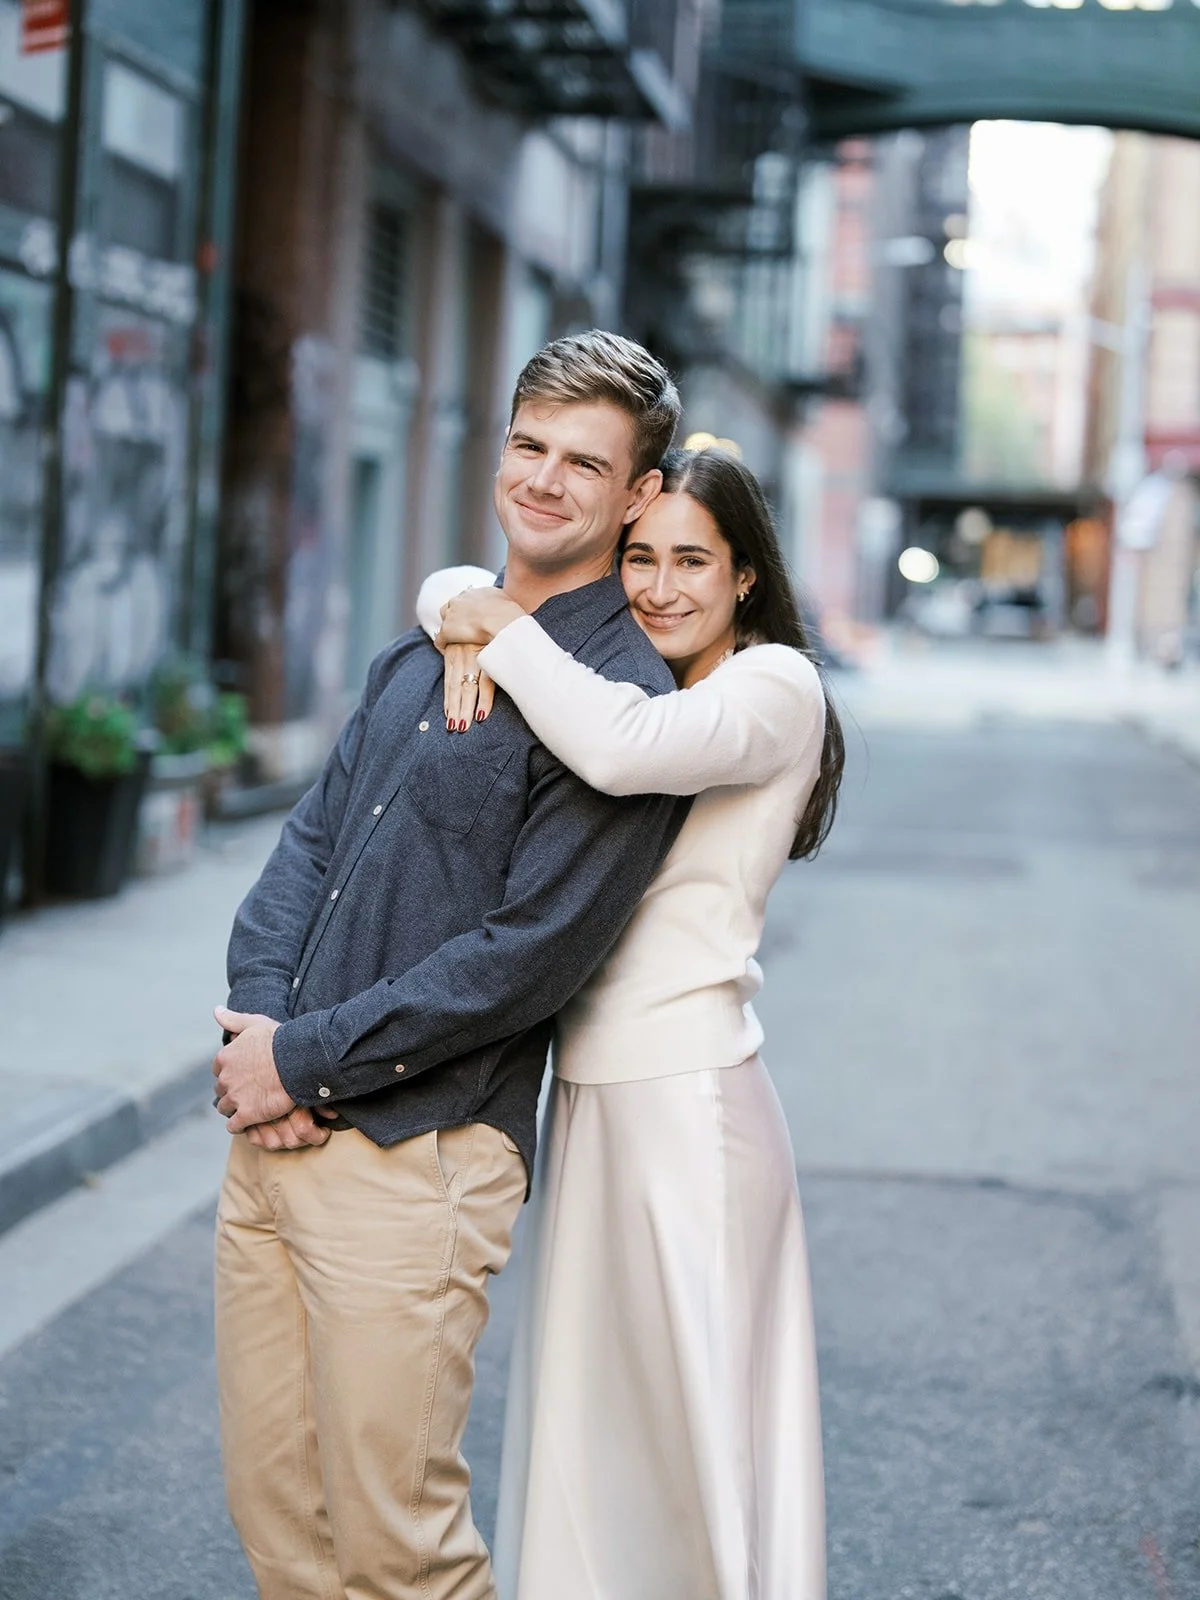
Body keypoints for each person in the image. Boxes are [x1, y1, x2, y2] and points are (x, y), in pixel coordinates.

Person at [209, 330, 693, 1600]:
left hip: (415, 1159)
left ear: (639, 494)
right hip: (272, 1131)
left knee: (396, 1553)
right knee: (280, 1527)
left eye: (584, 462)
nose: (542, 478)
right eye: (528, 444)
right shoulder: (426, 643)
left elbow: (525, 958)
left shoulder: (618, 701)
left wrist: (303, 1062)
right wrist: (259, 1038)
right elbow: (306, 847)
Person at [420, 444, 845, 1600]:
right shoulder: (644, 673)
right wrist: (453, 601)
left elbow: (614, 750)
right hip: (600, 1098)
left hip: (691, 1106)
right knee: (595, 1436)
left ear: (746, 575)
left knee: (695, 1439)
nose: (658, 585)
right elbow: (471, 578)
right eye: (640, 557)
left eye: (692, 561)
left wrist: (483, 620)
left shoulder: (771, 688)